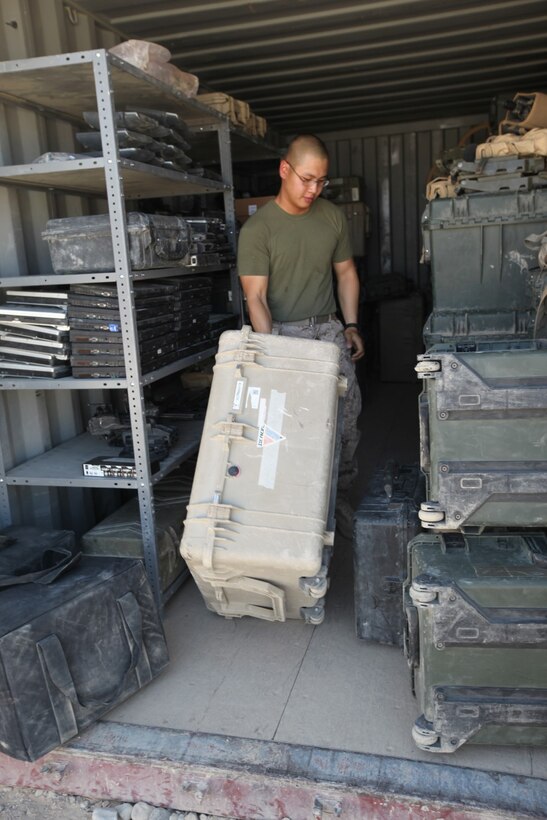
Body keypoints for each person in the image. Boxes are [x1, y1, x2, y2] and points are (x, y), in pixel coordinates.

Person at [237, 133, 364, 539]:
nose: (314, 189)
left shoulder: (331, 217)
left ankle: (338, 499)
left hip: (328, 331)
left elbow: (345, 273)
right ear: (284, 170)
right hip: (283, 335)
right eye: (307, 179)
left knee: (345, 421)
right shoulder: (258, 230)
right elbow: (255, 296)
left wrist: (351, 324)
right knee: (288, 427)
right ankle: (295, 511)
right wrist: (272, 352)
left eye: (321, 182)